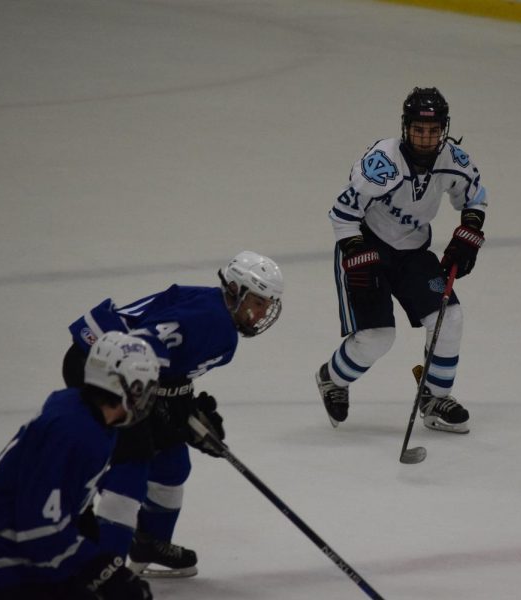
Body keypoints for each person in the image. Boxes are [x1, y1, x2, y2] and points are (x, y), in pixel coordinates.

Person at [62, 251, 283, 577]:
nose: (262, 312)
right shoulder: (212, 322)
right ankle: (103, 568)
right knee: (133, 462)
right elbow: (136, 349)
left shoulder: (217, 314)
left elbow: (167, 368)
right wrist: (168, 409)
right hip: (100, 367)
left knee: (172, 462)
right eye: (259, 302)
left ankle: (149, 543)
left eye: (267, 305)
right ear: (235, 290)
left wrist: (184, 409)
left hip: (129, 371)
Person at [314, 86, 487, 434]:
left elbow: (476, 196)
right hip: (368, 247)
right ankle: (331, 378)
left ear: (444, 129)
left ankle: (435, 399)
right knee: (378, 337)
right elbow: (343, 213)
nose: (426, 139)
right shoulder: (383, 162)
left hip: (413, 253)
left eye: (434, 130)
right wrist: (356, 255)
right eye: (419, 130)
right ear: (406, 127)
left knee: (449, 318)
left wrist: (469, 232)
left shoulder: (453, 160)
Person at [0, 332, 159, 600]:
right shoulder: (74, 432)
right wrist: (102, 570)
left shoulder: (84, 414)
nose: (144, 400)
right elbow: (37, 527)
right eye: (140, 389)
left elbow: (61, 504)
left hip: (11, 543)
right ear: (120, 385)